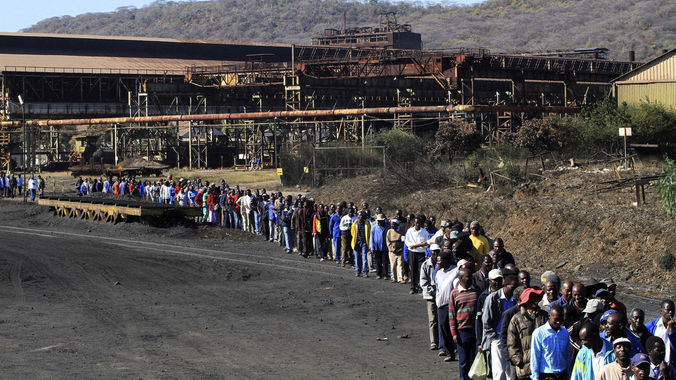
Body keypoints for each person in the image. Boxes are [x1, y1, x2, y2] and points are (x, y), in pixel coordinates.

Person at [482, 274, 519, 380]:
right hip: (498, 338)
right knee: (499, 372)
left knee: (510, 372)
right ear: (505, 284)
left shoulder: (516, 300)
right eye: (512, 287)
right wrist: (494, 337)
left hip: (512, 339)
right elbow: (486, 321)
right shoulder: (493, 298)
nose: (514, 290)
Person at [507, 287, 548, 380]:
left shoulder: (544, 316)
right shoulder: (516, 319)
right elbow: (512, 343)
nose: (535, 301)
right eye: (533, 298)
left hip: (543, 365)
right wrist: (518, 361)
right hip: (525, 367)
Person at [449, 267, 481, 380]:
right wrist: (454, 333)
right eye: (468, 277)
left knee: (476, 360)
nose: (471, 279)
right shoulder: (454, 293)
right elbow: (451, 315)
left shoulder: (477, 291)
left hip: (476, 330)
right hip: (462, 331)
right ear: (460, 278)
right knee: (464, 361)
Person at [530, 304, 572, 380]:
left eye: (561, 319)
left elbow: (568, 356)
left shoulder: (565, 333)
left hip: (562, 374)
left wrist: (569, 375)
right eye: (556, 320)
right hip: (547, 375)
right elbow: (535, 358)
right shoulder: (539, 333)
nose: (559, 322)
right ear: (549, 316)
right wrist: (535, 377)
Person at [435, 249, 458, 361]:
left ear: (446, 261)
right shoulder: (438, 273)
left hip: (452, 305)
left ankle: (458, 349)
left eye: (440, 261)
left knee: (455, 329)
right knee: (444, 329)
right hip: (442, 305)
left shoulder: (455, 271)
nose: (438, 263)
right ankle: (449, 352)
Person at [420, 247, 439, 351]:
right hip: (431, 296)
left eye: (437, 251)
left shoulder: (442, 263)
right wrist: (433, 292)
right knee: (432, 320)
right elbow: (423, 281)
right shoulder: (426, 265)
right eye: (433, 252)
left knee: (441, 320)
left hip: (441, 296)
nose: (435, 253)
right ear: (430, 252)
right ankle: (433, 342)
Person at [646, 299, 675, 365]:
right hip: (655, 364)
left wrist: (672, 332)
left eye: (672, 310)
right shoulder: (651, 327)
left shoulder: (674, 328)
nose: (670, 312)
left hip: (672, 365)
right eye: (668, 310)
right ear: (661, 311)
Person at [405, 217, 429, 295]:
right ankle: (413, 287)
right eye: (416, 223)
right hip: (412, 252)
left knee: (421, 270)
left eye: (419, 223)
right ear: (414, 223)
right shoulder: (410, 231)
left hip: (421, 253)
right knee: (413, 270)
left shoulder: (424, 231)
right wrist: (412, 246)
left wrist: (418, 246)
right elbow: (407, 241)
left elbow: (426, 243)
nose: (417, 224)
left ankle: (421, 287)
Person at [350, 210, 371, 277]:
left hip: (364, 242)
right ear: (357, 216)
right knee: (357, 258)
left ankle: (364, 272)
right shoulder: (354, 224)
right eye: (359, 215)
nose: (360, 217)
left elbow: (369, 233)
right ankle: (357, 271)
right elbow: (352, 233)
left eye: (361, 215)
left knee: (364, 258)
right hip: (356, 242)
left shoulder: (367, 224)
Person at [369, 214, 389, 279]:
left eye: (381, 220)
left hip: (385, 247)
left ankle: (385, 274)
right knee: (378, 261)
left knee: (385, 261)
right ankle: (378, 274)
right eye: (379, 221)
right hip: (377, 247)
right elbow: (371, 238)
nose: (380, 222)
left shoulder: (387, 227)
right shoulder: (374, 227)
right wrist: (372, 247)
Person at [386, 218, 405, 284]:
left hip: (400, 250)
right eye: (391, 224)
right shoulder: (389, 231)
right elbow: (387, 241)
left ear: (397, 224)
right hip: (392, 251)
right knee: (393, 265)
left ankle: (400, 278)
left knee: (400, 265)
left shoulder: (402, 231)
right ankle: (394, 278)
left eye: (393, 224)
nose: (391, 226)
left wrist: (401, 249)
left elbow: (404, 241)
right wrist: (391, 249)